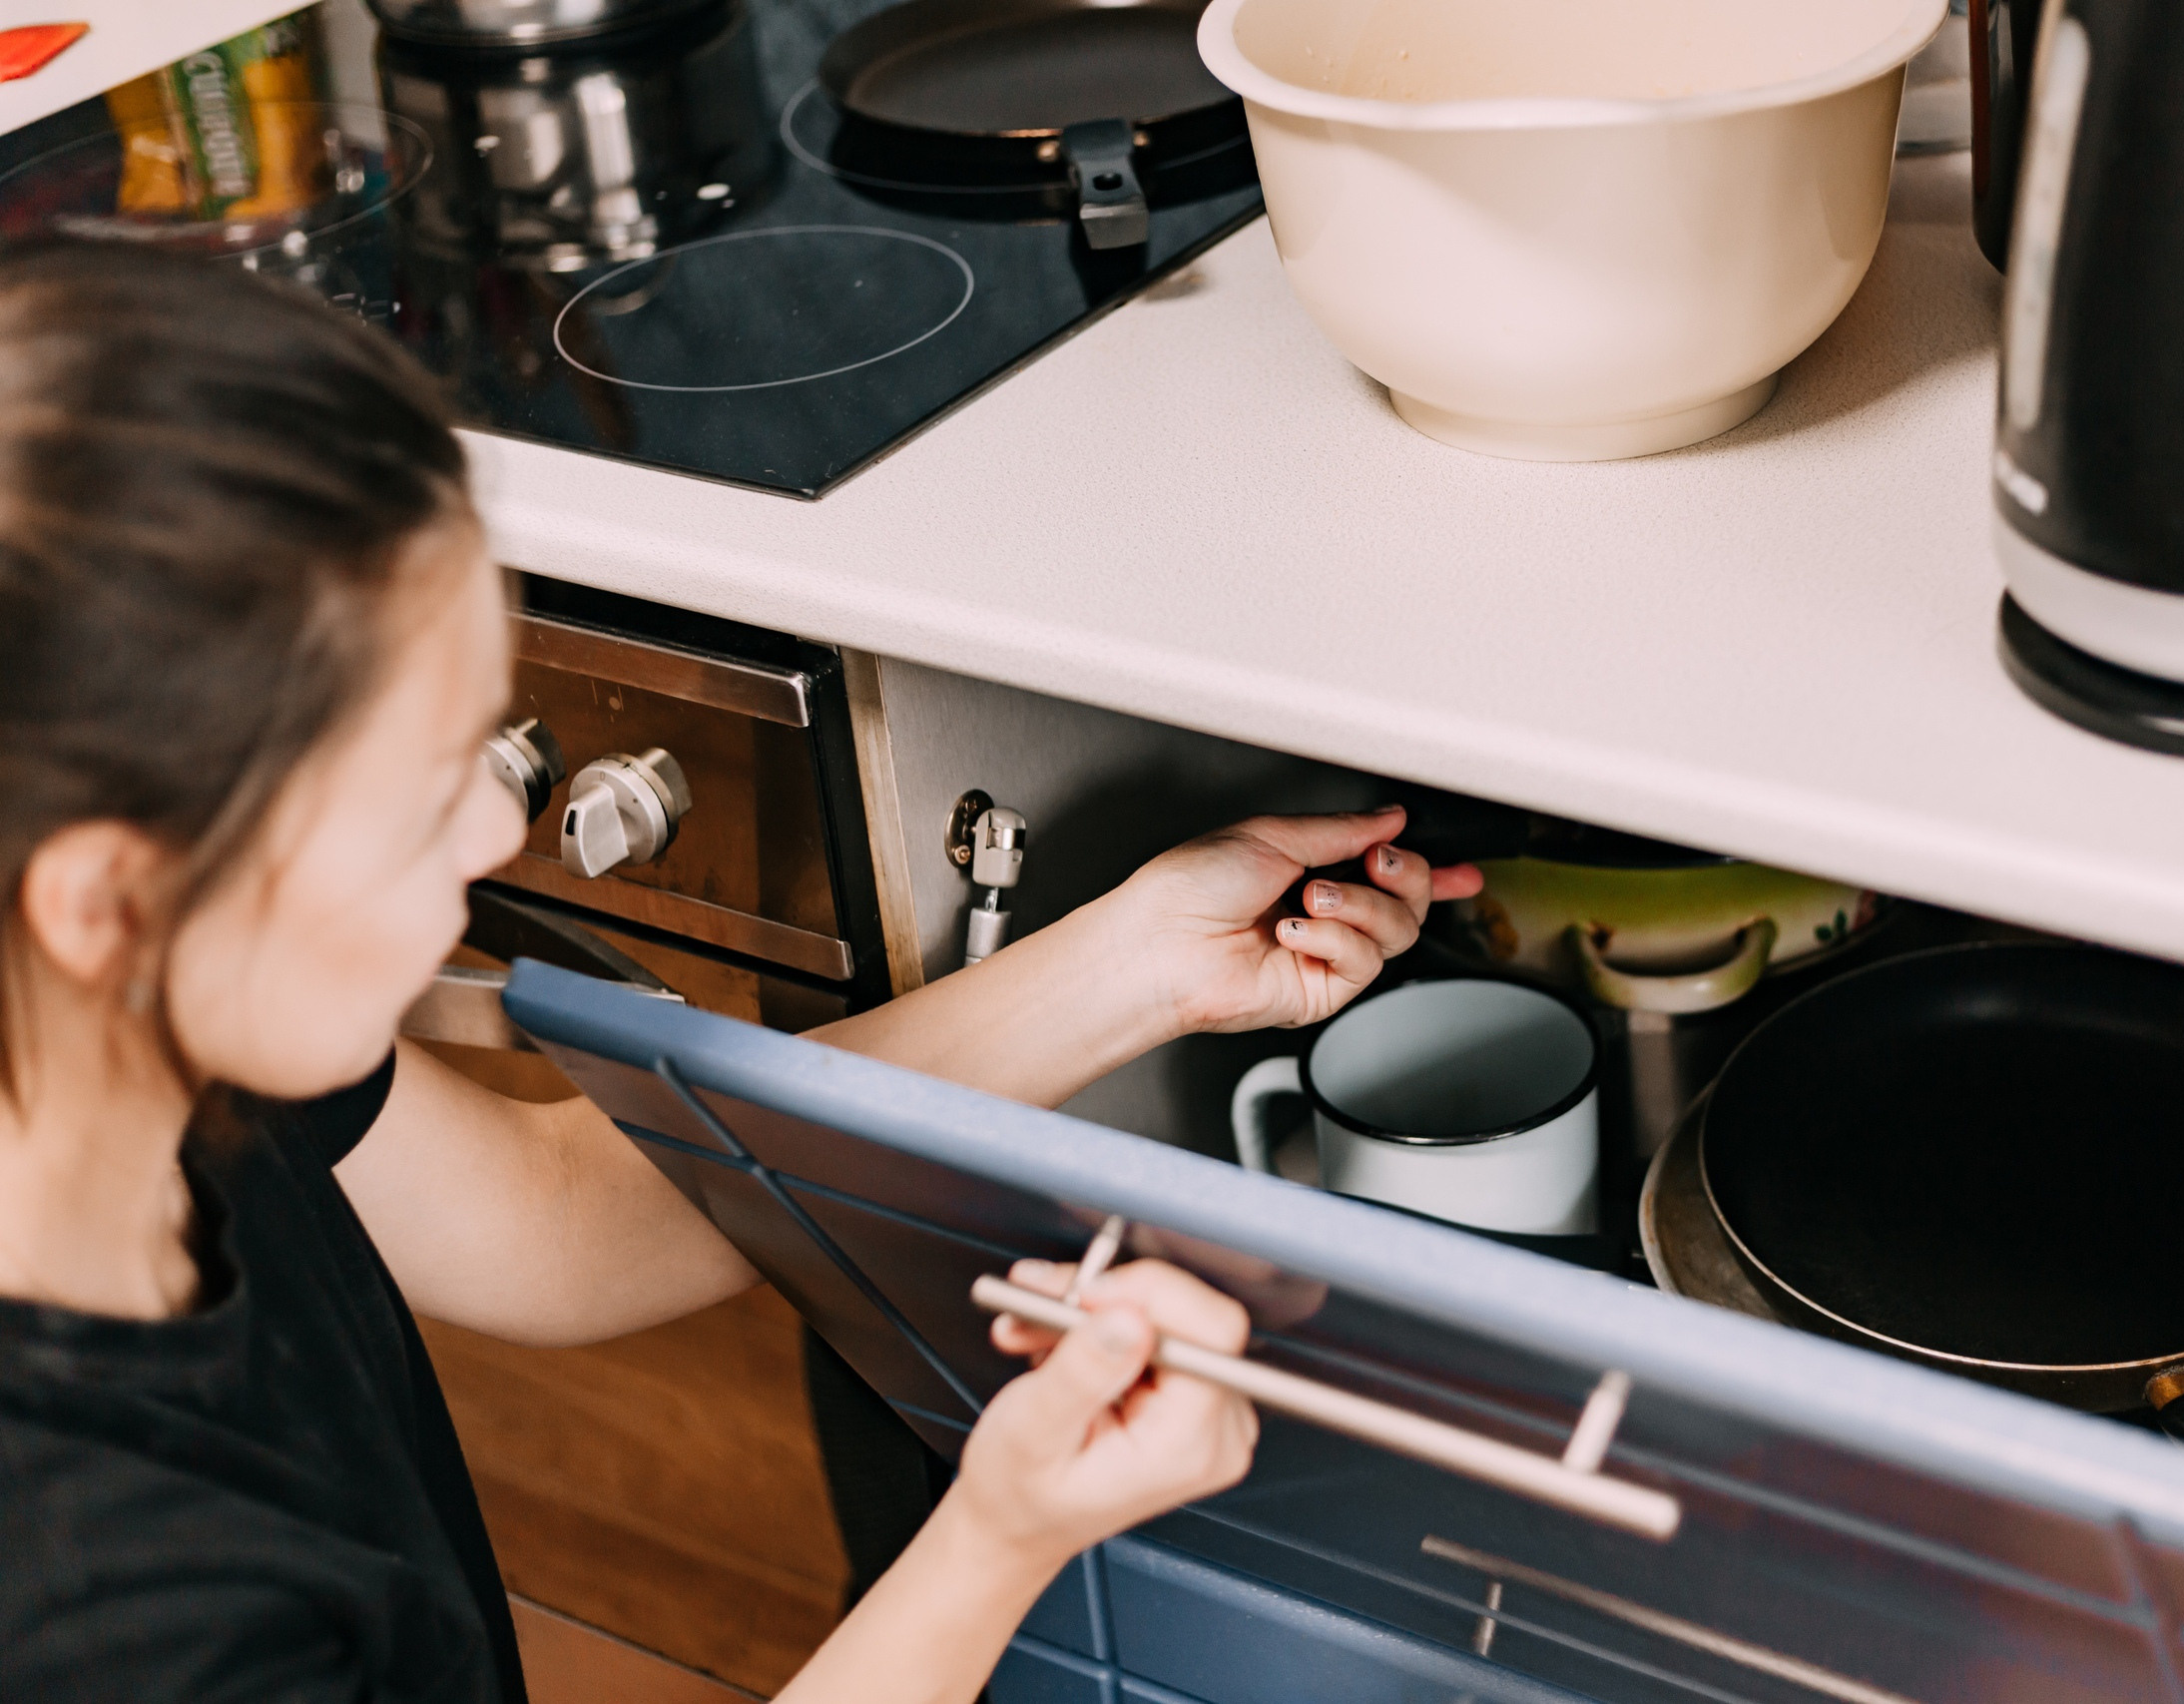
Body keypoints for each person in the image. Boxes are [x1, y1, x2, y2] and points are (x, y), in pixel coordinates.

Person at [0, 244, 1479, 1703]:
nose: (496, 822)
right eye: (413, 787)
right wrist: (1001, 1532)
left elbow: (564, 1223)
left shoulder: (139, 1044)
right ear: (113, 902)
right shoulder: (115, 1620)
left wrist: (1134, 967)